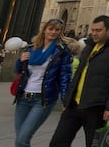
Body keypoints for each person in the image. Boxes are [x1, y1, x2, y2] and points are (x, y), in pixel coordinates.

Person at [49, 15, 109, 147]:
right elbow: (78, 75)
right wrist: (67, 100)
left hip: (95, 106)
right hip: (74, 105)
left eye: (98, 30)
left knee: (94, 144)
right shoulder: (89, 46)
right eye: (93, 30)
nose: (94, 33)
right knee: (57, 142)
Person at [13, 19, 73, 147]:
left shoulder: (61, 51)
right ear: (44, 29)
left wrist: (65, 100)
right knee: (20, 138)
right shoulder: (31, 48)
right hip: (23, 97)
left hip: (42, 100)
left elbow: (65, 76)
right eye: (51, 29)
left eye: (57, 30)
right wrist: (20, 61)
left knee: (22, 139)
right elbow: (19, 71)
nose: (53, 32)